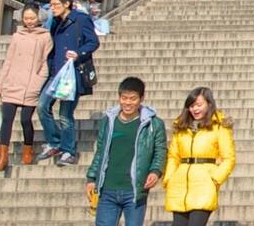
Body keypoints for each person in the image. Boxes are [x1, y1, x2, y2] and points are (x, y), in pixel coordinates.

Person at [85, 77, 166, 226]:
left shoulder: (153, 124)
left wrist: (156, 171)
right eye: (124, 98)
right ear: (119, 97)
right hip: (107, 189)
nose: (128, 103)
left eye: (133, 98)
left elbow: (160, 151)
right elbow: (100, 152)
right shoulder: (108, 121)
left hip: (135, 190)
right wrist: (91, 178)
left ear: (141, 98)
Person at [39, 0, 99, 166]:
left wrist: (79, 54)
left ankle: (68, 150)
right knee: (42, 106)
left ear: (67, 4)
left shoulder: (81, 19)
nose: (53, 9)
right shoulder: (55, 22)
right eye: (51, 6)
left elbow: (93, 41)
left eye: (56, 5)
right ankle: (54, 141)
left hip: (73, 73)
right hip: (56, 72)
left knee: (65, 114)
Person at [165, 87, 236, 226]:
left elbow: (229, 158)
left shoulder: (220, 126)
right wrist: (169, 178)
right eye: (191, 106)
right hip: (180, 185)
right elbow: (173, 156)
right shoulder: (181, 127)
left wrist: (215, 179)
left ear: (209, 104)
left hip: (205, 185)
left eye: (199, 105)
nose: (195, 109)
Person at [0, 8, 51, 171]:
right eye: (26, 18)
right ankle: (3, 156)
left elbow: (46, 62)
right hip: (13, 82)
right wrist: (1, 82)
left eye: (32, 18)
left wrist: (38, 82)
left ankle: (28, 148)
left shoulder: (45, 36)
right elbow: (9, 60)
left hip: (31, 84)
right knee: (7, 120)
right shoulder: (17, 36)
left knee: (26, 119)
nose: (29, 21)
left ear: (38, 18)